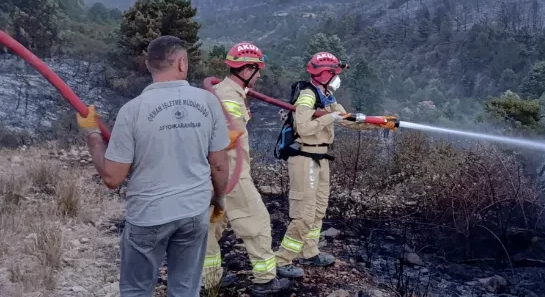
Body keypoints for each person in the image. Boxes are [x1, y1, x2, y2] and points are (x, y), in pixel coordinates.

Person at [77, 35, 232, 297]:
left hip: (149, 215)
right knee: (185, 290)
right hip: (193, 214)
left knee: (137, 291)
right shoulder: (208, 103)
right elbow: (218, 165)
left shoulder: (132, 110)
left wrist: (92, 134)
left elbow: (112, 178)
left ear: (149, 65)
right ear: (182, 62)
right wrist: (219, 199)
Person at [274, 52, 396, 274]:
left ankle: (309, 253)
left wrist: (381, 122)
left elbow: (348, 120)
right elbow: (304, 129)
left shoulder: (327, 95)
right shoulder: (307, 96)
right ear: (324, 74)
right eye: (334, 74)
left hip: (320, 158)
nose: (337, 78)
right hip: (304, 158)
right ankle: (282, 260)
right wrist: (329, 118)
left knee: (319, 208)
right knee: (305, 212)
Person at [203, 42, 295, 294]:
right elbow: (225, 137)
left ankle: (209, 280)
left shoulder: (224, 92)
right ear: (245, 71)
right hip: (232, 175)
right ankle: (265, 280)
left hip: (216, 175)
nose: (260, 75)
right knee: (257, 221)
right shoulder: (229, 98)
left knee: (211, 226)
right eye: (258, 70)